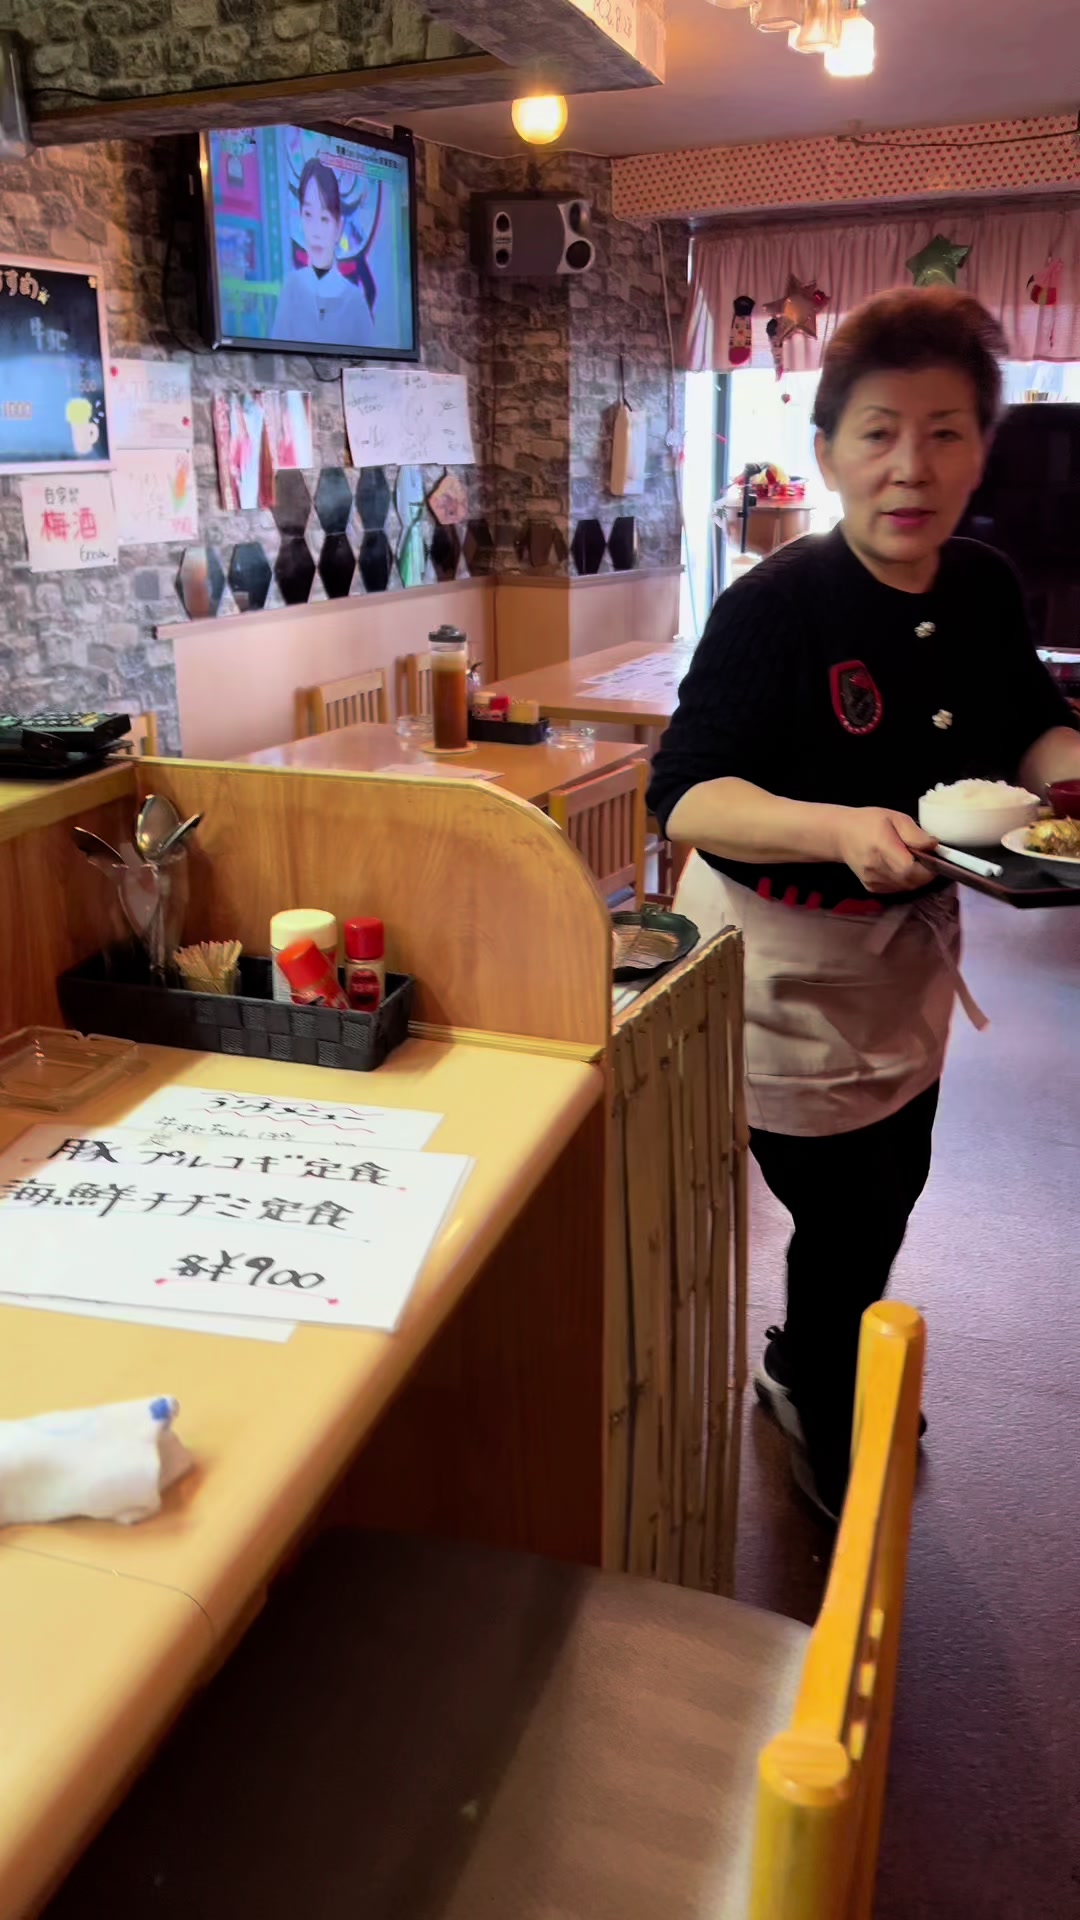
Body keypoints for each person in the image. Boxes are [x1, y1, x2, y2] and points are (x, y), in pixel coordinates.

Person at [647, 287, 1080, 1520]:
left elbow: (1030, 720)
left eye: (946, 432)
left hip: (905, 962)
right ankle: (821, 1399)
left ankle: (808, 1361)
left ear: (982, 448)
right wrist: (839, 831)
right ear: (827, 449)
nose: (912, 466)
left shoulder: (988, 588)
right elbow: (683, 798)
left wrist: (1068, 782)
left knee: (879, 1199)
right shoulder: (775, 607)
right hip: (773, 963)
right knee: (844, 1218)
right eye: (880, 431)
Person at [271, 158, 372, 351]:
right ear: (300, 217)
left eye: (325, 218)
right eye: (308, 215)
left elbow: (369, 370)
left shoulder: (355, 301)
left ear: (339, 227)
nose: (315, 230)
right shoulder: (292, 288)